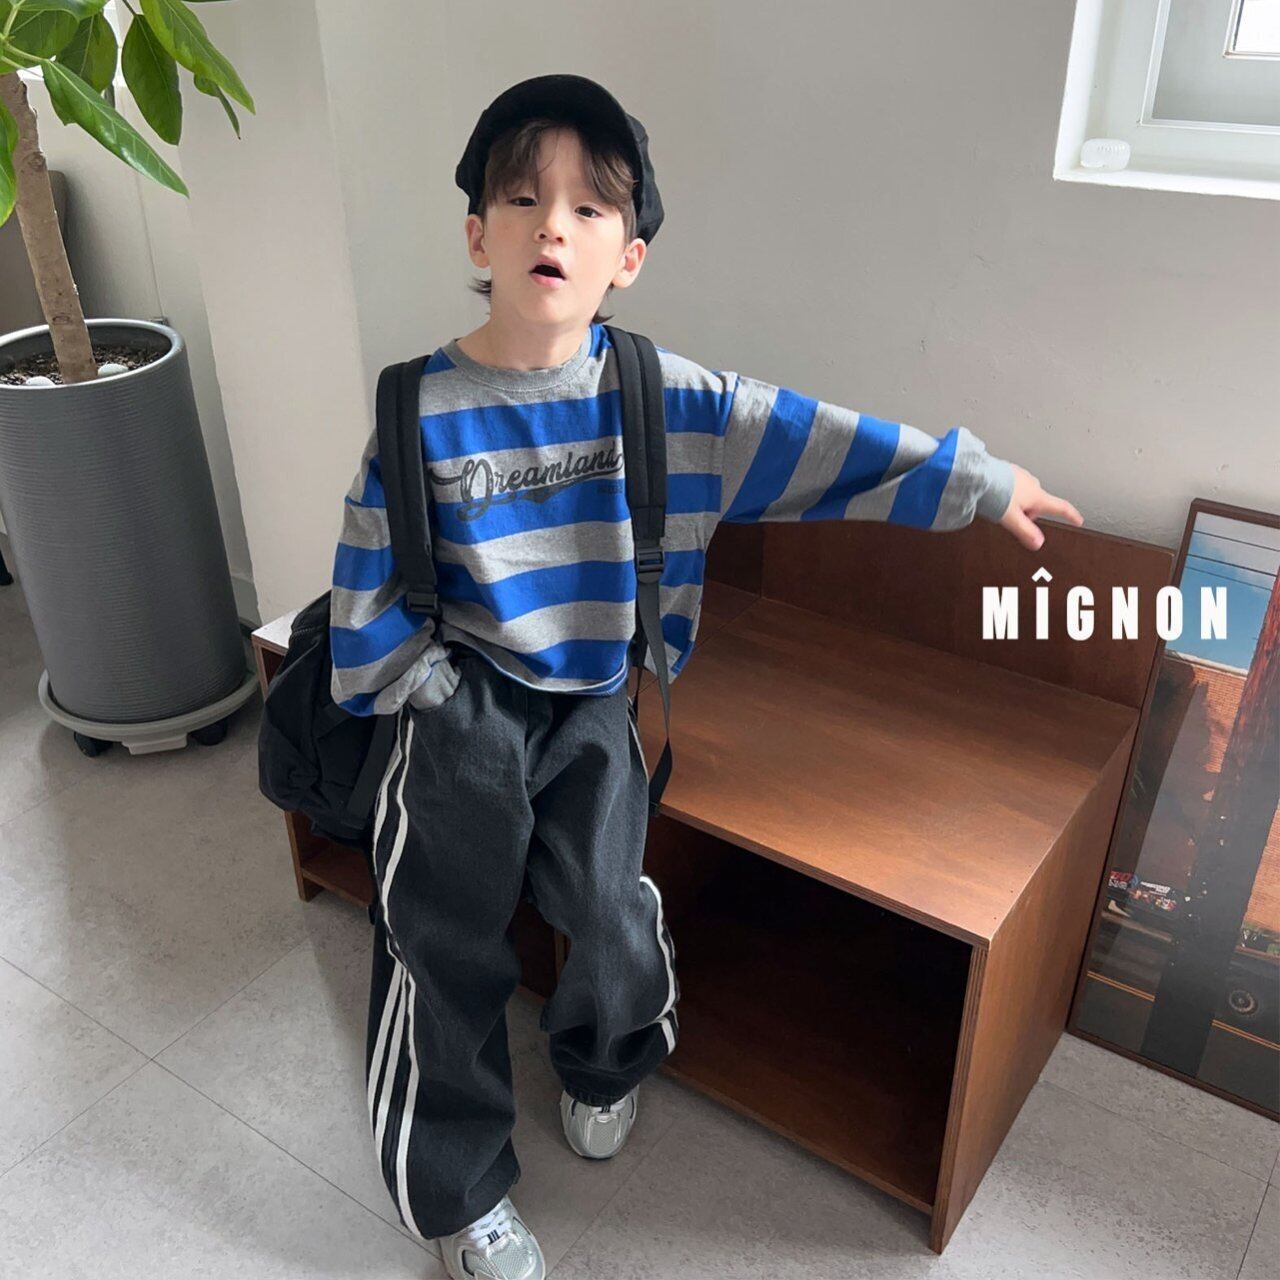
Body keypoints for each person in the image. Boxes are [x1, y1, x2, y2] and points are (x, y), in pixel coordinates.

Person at [328, 74, 1083, 1280]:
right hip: (458, 705)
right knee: (438, 945)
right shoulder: (414, 407)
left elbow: (820, 441)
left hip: (595, 695)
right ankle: (459, 1196)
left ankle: (605, 1058)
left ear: (625, 257)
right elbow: (367, 565)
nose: (551, 224)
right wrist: (403, 683)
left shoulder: (663, 398)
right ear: (476, 235)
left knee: (608, 910)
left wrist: (979, 483)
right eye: (521, 198)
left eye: (588, 208)